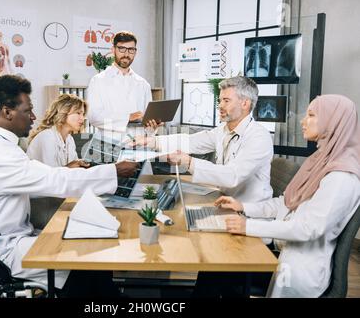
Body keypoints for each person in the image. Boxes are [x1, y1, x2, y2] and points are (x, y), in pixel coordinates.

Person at [0, 75, 137, 295]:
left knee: (90, 253)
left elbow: (52, 175)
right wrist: (113, 171)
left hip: (12, 236)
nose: (34, 116)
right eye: (28, 110)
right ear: (7, 112)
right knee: (82, 263)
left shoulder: (1, 145)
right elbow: (54, 179)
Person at [212, 94, 360, 297]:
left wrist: (248, 226)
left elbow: (309, 228)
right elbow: (286, 203)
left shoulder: (342, 177)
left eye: (311, 115)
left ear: (333, 122)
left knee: (219, 271)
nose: (303, 120)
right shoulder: (320, 160)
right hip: (283, 248)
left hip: (296, 270)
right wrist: (243, 207)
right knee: (215, 268)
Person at [130, 76, 274, 203]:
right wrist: (153, 142)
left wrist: (188, 162)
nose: (220, 106)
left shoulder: (259, 137)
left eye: (226, 101)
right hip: (225, 202)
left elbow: (233, 176)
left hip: (249, 213)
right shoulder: (223, 131)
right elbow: (190, 141)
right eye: (220, 100)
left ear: (245, 104)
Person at [87, 31, 159, 139]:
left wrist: (152, 127)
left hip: (137, 145)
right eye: (122, 49)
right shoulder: (98, 81)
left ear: (135, 52)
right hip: (110, 145)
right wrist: (127, 117)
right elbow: (94, 117)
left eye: (131, 50)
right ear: (113, 50)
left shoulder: (143, 84)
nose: (126, 54)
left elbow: (146, 121)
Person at [26, 94, 89, 168]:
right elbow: (51, 174)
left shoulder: (69, 139)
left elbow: (72, 170)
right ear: (63, 112)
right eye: (78, 113)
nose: (82, 118)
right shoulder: (47, 136)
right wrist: (71, 166)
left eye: (83, 114)